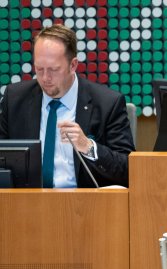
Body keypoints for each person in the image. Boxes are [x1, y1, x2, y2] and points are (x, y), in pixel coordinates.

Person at [0, 24, 135, 188]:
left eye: (54, 69)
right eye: (39, 69)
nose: (45, 78)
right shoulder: (14, 99)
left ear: (73, 65)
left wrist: (88, 147)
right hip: (28, 204)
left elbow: (128, 169)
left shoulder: (107, 103)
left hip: (84, 206)